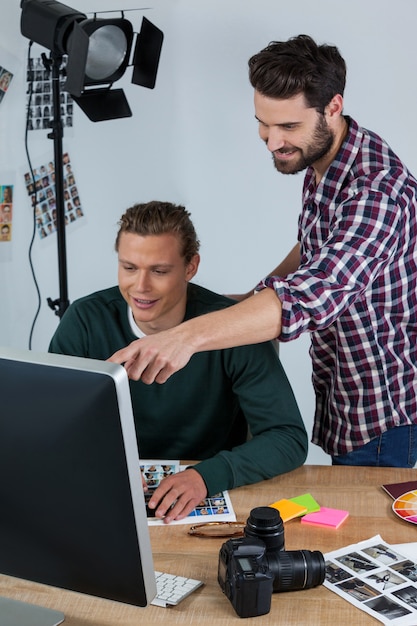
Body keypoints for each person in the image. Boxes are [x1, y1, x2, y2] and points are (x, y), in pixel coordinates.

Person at [110, 35, 417, 469]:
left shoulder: (377, 190)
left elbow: (316, 291)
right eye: (263, 123)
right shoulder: (330, 158)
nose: (272, 142)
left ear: (333, 106)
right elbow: (319, 246)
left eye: (288, 127)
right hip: (342, 392)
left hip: (383, 412)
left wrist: (185, 338)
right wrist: (245, 301)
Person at [49, 201, 307, 522]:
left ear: (190, 267)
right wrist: (101, 459)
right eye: (129, 268)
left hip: (204, 495)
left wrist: (205, 476)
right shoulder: (84, 320)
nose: (140, 287)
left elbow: (288, 437)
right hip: (108, 491)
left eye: (159, 271)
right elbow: (56, 422)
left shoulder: (231, 327)